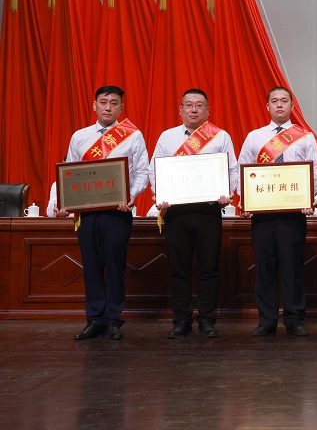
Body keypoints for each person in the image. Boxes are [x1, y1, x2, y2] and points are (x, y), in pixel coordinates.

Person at [56, 85, 149, 341]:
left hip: (118, 212)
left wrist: (131, 196)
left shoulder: (133, 136)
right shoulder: (80, 136)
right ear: (94, 105)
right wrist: (64, 202)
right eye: (104, 102)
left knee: (115, 266)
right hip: (86, 213)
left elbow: (142, 172)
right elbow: (69, 172)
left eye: (114, 103)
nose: (108, 107)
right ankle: (94, 318)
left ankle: (113, 319)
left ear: (121, 107)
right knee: (91, 265)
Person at [149, 89, 239, 339]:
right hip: (176, 212)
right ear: (180, 110)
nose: (194, 109)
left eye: (199, 105)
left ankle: (207, 320)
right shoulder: (167, 137)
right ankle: (181, 320)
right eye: (188, 105)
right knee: (178, 269)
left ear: (208, 111)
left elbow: (233, 170)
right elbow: (154, 170)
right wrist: (161, 193)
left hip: (208, 211)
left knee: (209, 268)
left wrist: (226, 192)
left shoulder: (220, 136)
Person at [237, 87, 317, 337]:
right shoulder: (255, 137)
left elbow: (315, 172)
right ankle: (267, 320)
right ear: (267, 107)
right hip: (262, 214)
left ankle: (295, 319)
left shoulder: (305, 137)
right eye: (275, 101)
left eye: (284, 101)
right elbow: (242, 171)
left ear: (292, 106)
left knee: (292, 268)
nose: (280, 105)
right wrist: (245, 201)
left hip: (293, 214)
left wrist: (310, 198)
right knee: (265, 268)